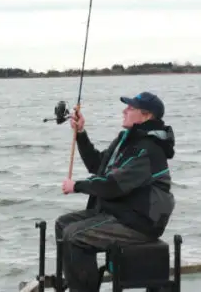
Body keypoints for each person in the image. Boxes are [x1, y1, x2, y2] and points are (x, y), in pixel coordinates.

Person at [55, 91, 176, 291]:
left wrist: (76, 186)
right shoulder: (126, 140)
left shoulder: (148, 149)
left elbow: (112, 186)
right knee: (63, 225)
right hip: (121, 213)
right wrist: (81, 134)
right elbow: (97, 165)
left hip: (140, 222)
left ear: (146, 116)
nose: (124, 110)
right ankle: (79, 284)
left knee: (74, 235)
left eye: (130, 108)